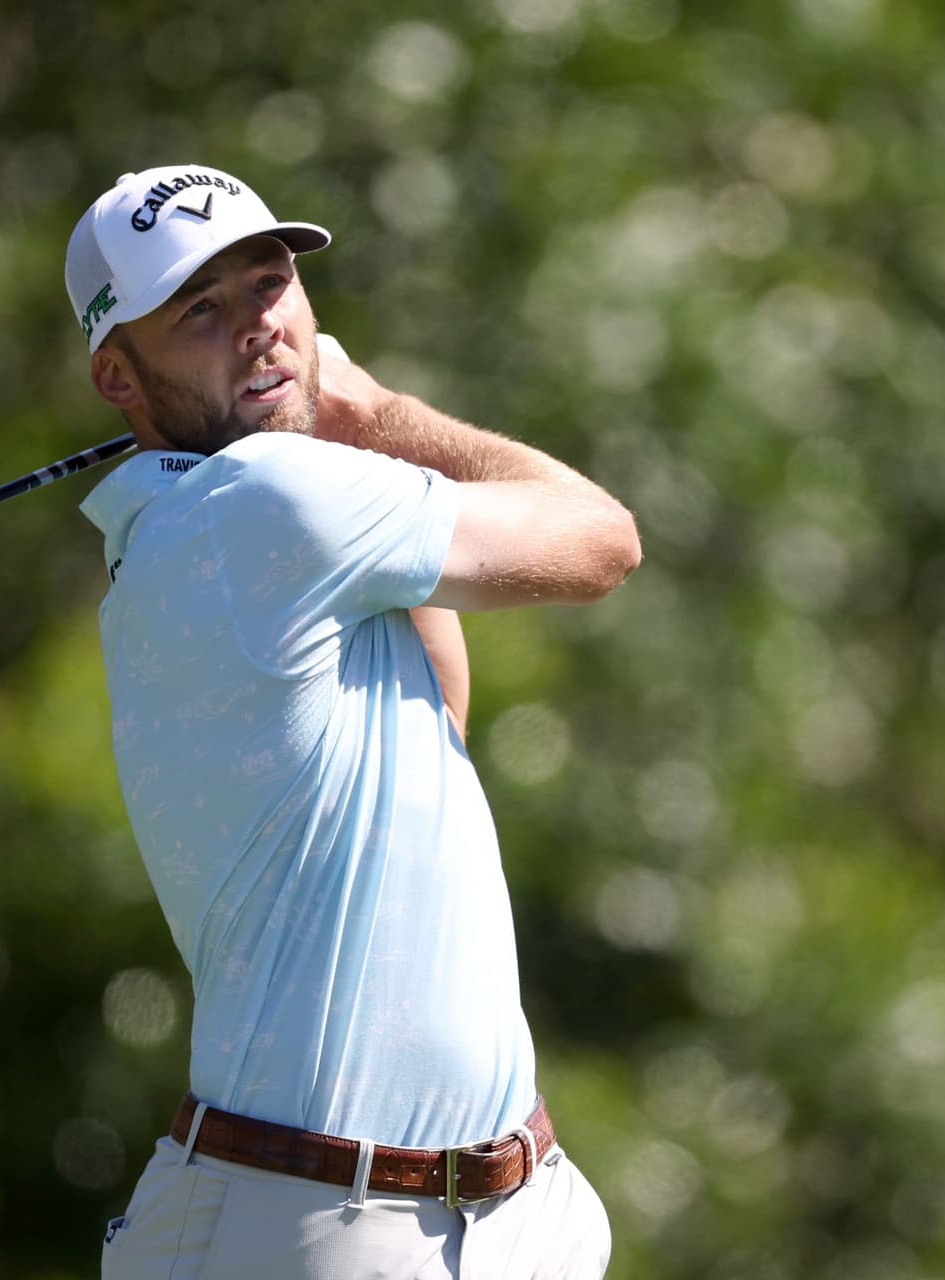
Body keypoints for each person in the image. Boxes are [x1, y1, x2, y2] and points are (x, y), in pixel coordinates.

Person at [66, 164, 640, 1279]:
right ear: (118, 375)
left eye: (269, 283)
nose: (259, 327)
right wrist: (371, 414)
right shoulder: (264, 504)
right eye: (200, 310)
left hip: (493, 1214)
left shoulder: (198, 529)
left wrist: (336, 433)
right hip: (317, 1224)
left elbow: (440, 715)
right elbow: (601, 539)